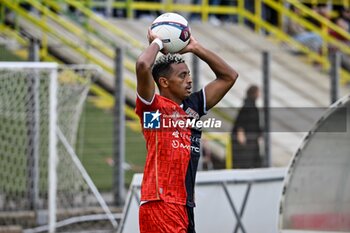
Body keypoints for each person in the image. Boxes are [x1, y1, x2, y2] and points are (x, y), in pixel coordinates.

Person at [135, 28, 238, 232]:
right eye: (182, 76)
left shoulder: (193, 107)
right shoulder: (153, 109)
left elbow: (229, 76)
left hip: (184, 204)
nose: (189, 80)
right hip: (160, 203)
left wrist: (195, 47)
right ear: (164, 82)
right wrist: (157, 42)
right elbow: (142, 65)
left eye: (189, 74)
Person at [231, 85, 262, 169]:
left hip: (251, 140)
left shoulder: (252, 106)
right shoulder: (247, 106)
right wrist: (240, 134)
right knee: (246, 163)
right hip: (247, 142)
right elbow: (240, 123)